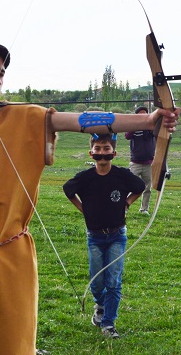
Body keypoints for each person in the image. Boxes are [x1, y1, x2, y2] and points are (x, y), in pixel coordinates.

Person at [0, 39, 180, 355]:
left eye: (2, 74)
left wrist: (147, 121)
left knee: (13, 344)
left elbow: (80, 120)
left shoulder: (24, 117)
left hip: (11, 258)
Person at [62, 133, 145, 338]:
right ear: (91, 153)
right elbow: (68, 190)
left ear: (114, 153)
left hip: (117, 235)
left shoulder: (121, 175)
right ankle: (100, 305)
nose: (102, 153)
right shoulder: (85, 177)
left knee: (114, 282)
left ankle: (108, 324)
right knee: (97, 282)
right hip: (95, 237)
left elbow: (140, 187)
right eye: (98, 149)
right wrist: (84, 209)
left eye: (106, 149)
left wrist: (127, 203)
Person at [124, 106, 156, 214]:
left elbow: (157, 133)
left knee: (147, 188)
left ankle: (144, 209)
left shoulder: (151, 127)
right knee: (129, 186)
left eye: (145, 114)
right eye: (140, 114)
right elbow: (127, 136)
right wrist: (136, 124)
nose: (143, 116)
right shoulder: (133, 127)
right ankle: (124, 207)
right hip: (135, 162)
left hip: (149, 162)